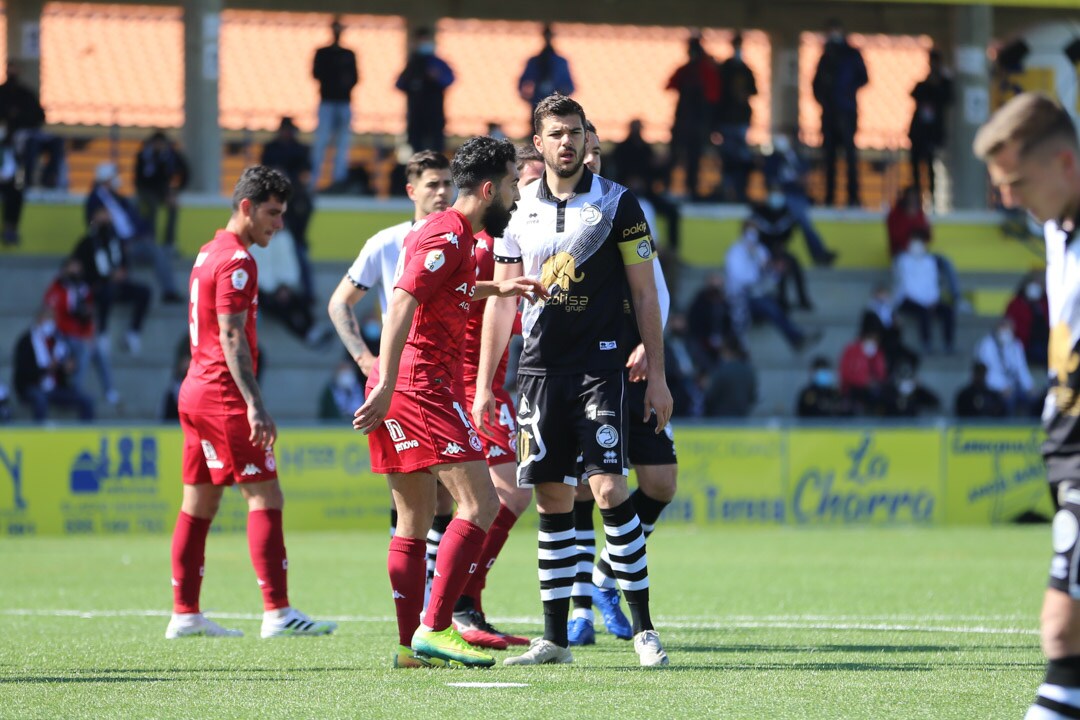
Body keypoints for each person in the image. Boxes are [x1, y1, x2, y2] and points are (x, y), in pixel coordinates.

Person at [474, 93, 672, 667]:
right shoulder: (515, 211)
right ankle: (555, 639)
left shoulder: (620, 205)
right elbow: (502, 303)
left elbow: (645, 293)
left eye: (575, 132)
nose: (566, 142)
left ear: (589, 139)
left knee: (609, 490)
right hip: (536, 373)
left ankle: (643, 630)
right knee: (552, 499)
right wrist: (488, 382)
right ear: (538, 144)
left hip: (599, 369)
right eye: (555, 133)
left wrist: (656, 375)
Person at [352, 136, 546, 668]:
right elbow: (400, 303)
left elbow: (447, 290)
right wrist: (388, 382)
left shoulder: (454, 237)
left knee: (412, 521)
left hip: (406, 388)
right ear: (489, 188)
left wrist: (498, 291)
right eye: (510, 183)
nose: (513, 193)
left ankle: (406, 648)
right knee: (482, 503)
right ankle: (437, 626)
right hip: (420, 388)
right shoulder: (449, 235)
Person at [166, 165, 337, 640]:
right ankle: (278, 612)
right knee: (265, 495)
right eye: (272, 213)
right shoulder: (238, 261)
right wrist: (255, 405)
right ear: (246, 207)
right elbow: (231, 334)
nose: (278, 224)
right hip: (222, 394)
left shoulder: (207, 252)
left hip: (194, 390)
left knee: (198, 504)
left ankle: (185, 613)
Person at [973, 93, 1080, 719]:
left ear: (1065, 163)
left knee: (1061, 630)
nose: (1008, 198)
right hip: (1066, 449)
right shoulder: (1055, 225)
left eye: (1017, 182)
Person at [566, 123, 678, 647]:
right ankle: (580, 608)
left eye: (593, 151)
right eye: (579, 150)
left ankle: (607, 572)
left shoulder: (622, 207)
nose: (587, 159)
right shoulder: (554, 212)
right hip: (582, 370)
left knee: (660, 483)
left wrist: (646, 348)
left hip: (632, 367)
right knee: (590, 489)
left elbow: (654, 290)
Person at [327, 150, 458, 574]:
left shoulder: (459, 237)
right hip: (404, 378)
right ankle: (424, 602)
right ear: (411, 190)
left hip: (447, 374)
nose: (441, 192)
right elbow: (339, 304)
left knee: (445, 497)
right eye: (432, 184)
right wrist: (365, 359)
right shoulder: (387, 242)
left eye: (447, 183)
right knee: (414, 497)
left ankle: (437, 602)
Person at [85, 162, 183, 303]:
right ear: (106, 179)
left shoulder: (120, 199)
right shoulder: (94, 199)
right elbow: (92, 224)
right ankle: (126, 293)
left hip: (135, 241)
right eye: (114, 176)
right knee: (146, 252)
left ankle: (169, 291)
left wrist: (145, 234)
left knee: (158, 250)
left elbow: (136, 220)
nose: (117, 179)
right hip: (117, 245)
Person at [725, 223, 820, 352]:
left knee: (775, 303)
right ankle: (796, 338)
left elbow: (771, 281)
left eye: (754, 233)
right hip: (738, 298)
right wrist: (760, 269)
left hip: (758, 296)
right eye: (749, 233)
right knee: (767, 305)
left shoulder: (761, 251)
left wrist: (775, 270)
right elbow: (740, 278)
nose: (752, 237)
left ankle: (796, 338)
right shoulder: (735, 251)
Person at [72, 207, 153, 356]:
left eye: (107, 215)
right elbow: (79, 267)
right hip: (98, 286)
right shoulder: (86, 243)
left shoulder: (116, 241)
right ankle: (102, 334)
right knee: (105, 292)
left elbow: (124, 264)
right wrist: (105, 277)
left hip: (118, 285)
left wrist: (121, 273)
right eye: (101, 215)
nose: (105, 218)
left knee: (145, 292)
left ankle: (133, 333)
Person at [42, 256, 118, 406]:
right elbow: (53, 318)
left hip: (81, 335)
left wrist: (88, 333)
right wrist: (78, 335)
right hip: (63, 335)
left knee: (99, 350)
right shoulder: (56, 290)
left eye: (78, 268)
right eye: (72, 268)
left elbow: (89, 314)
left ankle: (110, 390)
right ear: (64, 270)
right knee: (84, 349)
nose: (76, 271)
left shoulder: (83, 289)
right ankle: (75, 388)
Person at [812, 19, 868, 207]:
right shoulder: (825, 56)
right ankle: (829, 196)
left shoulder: (852, 55)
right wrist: (823, 99)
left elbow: (864, 78)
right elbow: (816, 83)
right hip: (829, 112)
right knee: (829, 156)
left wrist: (847, 92)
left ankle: (853, 197)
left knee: (850, 156)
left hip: (847, 111)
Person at [262, 117, 316, 302]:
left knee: (299, 252)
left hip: (295, 208)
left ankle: (308, 293)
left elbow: (305, 174)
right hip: (277, 209)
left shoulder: (300, 150)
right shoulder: (271, 149)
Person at [764, 133, 837, 266]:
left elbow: (805, 179)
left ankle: (819, 254)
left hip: (798, 197)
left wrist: (799, 181)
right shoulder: (773, 159)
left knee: (795, 224)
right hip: (783, 197)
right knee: (794, 224)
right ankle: (819, 254)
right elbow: (771, 181)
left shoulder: (798, 158)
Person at [13, 306, 94, 422]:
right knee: (40, 399)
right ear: (38, 319)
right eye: (47, 318)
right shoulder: (26, 341)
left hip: (56, 388)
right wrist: (47, 369)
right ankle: (39, 435)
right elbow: (23, 372)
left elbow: (66, 362)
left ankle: (86, 436)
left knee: (87, 400)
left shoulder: (58, 339)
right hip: (32, 386)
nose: (50, 322)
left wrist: (68, 367)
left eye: (52, 319)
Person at [666, 33, 721, 201]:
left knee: (692, 158)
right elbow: (669, 85)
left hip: (697, 123)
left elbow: (713, 96)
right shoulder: (687, 70)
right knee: (679, 156)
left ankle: (691, 189)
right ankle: (675, 188)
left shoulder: (705, 70)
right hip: (686, 122)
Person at [311, 17, 359, 191]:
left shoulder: (348, 54)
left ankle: (339, 181)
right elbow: (316, 74)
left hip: (344, 102)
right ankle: (313, 181)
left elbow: (355, 78)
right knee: (321, 142)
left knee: (342, 144)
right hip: (327, 102)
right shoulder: (322, 53)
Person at [894, 233, 955, 354]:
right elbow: (907, 286)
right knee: (923, 311)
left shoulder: (929, 261)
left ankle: (948, 344)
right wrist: (924, 302)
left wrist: (933, 300)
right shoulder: (903, 260)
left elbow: (932, 284)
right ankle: (926, 343)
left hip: (929, 300)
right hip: (908, 299)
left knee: (948, 310)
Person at [396, 27, 455, 154]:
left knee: (436, 148)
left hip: (434, 114)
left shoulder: (438, 63)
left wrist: (436, 76)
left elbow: (449, 80)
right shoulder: (412, 64)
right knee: (416, 149)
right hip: (416, 115)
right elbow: (399, 84)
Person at [716, 32, 757, 203]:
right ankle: (727, 191)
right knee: (728, 159)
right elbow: (718, 94)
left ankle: (741, 191)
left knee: (742, 159)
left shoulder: (746, 70)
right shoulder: (725, 68)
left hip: (741, 122)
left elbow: (754, 91)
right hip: (726, 121)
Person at [908, 49, 953, 205]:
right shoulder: (924, 85)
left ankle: (932, 200)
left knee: (930, 167)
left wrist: (938, 84)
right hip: (919, 133)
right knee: (915, 169)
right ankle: (916, 199)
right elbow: (914, 93)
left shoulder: (944, 84)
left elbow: (947, 97)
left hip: (933, 134)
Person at [134, 130, 189, 252]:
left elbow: (184, 172)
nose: (158, 146)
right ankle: (150, 240)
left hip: (165, 191)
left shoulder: (171, 156)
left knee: (173, 208)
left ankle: (169, 242)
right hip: (147, 190)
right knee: (151, 208)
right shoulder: (144, 156)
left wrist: (175, 191)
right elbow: (139, 179)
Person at [975, 317, 1036, 417]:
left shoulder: (1016, 345)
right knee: (1008, 400)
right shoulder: (987, 345)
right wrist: (1002, 387)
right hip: (993, 388)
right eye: (1003, 328)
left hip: (1013, 387)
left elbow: (1021, 369)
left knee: (1033, 399)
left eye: (1008, 329)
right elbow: (987, 373)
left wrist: (1029, 386)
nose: (1005, 332)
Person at [859, 284, 918, 373]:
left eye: (885, 294)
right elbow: (866, 331)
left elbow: (897, 334)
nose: (883, 296)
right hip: (877, 344)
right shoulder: (869, 312)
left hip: (891, 344)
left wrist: (897, 326)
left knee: (913, 358)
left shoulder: (891, 311)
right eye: (881, 294)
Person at [518, 25, 575, 110]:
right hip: (538, 103)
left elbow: (569, 87)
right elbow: (523, 82)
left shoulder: (560, 62)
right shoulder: (535, 61)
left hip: (554, 105)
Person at [686, 272, 733, 371]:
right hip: (701, 341)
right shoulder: (700, 301)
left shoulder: (725, 303)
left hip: (721, 342)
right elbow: (694, 323)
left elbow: (728, 324)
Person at [838, 328, 888, 415]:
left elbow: (881, 374)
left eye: (875, 340)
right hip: (853, 388)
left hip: (871, 390)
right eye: (870, 338)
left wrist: (874, 358)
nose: (872, 342)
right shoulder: (851, 351)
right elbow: (845, 373)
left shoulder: (878, 353)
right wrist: (864, 381)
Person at [1005, 272, 1050, 366]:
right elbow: (1008, 324)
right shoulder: (1015, 304)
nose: (1035, 287)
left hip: (1045, 346)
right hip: (1024, 346)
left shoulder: (1046, 304)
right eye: (1033, 283)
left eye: (1038, 284)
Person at [703, 341, 757, 417]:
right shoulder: (748, 371)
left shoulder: (721, 371)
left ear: (726, 351)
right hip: (741, 419)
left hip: (720, 419)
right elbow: (752, 397)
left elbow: (710, 396)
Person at [886, 186, 931, 258]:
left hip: (920, 253)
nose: (912, 201)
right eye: (910, 198)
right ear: (905, 199)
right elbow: (895, 237)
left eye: (915, 199)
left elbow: (928, 237)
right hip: (901, 253)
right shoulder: (895, 215)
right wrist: (910, 220)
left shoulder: (920, 214)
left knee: (939, 261)